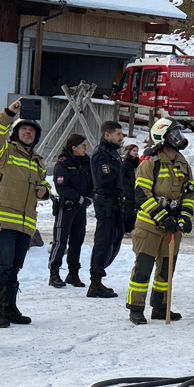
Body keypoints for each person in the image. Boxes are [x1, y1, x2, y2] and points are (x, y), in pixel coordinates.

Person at [126, 117, 194, 325]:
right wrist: (162, 217)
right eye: (174, 134)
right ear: (162, 139)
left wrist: (185, 216)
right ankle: (136, 308)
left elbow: (189, 193)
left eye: (179, 133)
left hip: (172, 227)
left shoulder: (183, 164)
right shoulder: (150, 163)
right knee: (143, 267)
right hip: (149, 225)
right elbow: (142, 195)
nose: (179, 138)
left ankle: (160, 307)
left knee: (166, 269)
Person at [0, 104, 47, 327]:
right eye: (24, 129)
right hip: (5, 222)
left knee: (15, 267)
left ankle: (8, 307)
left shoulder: (37, 161)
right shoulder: (3, 153)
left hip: (26, 224)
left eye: (32, 131)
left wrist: (45, 190)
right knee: (3, 265)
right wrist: (9, 113)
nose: (28, 133)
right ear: (16, 132)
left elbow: (43, 182)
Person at [85, 120, 130, 299]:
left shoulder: (112, 153)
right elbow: (106, 178)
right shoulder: (101, 154)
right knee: (103, 241)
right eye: (118, 134)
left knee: (114, 239)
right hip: (106, 203)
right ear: (107, 135)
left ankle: (99, 277)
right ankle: (95, 282)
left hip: (115, 202)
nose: (121, 137)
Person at [48, 134, 93, 289]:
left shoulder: (86, 162)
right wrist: (80, 198)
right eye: (83, 145)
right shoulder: (63, 163)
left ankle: (73, 273)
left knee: (77, 241)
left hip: (80, 209)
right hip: (66, 207)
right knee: (60, 241)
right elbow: (62, 187)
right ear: (74, 147)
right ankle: (54, 274)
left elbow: (92, 182)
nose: (85, 148)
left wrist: (89, 197)